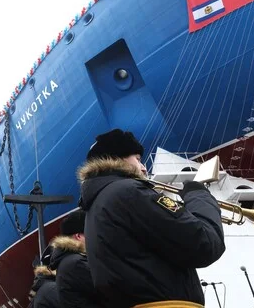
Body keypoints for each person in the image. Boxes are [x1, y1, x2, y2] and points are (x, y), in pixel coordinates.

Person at [78, 129, 226, 308]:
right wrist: (199, 195)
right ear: (117, 159)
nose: (144, 167)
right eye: (138, 160)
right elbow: (205, 243)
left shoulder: (96, 207)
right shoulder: (130, 191)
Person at [49, 209, 101, 307]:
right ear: (78, 236)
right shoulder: (75, 263)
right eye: (89, 232)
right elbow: (106, 288)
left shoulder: (67, 261)